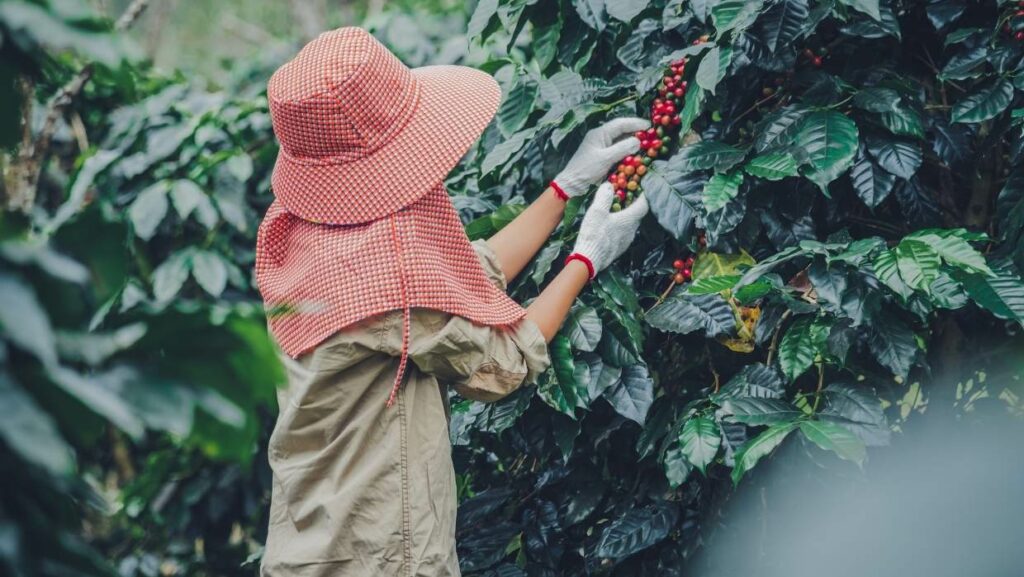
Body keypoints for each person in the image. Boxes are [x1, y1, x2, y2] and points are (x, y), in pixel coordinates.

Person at [254, 27, 648, 577]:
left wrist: (564, 189)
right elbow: (502, 364)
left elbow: (460, 277)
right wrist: (586, 258)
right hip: (375, 559)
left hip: (307, 547)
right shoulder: (389, 278)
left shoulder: (304, 228)